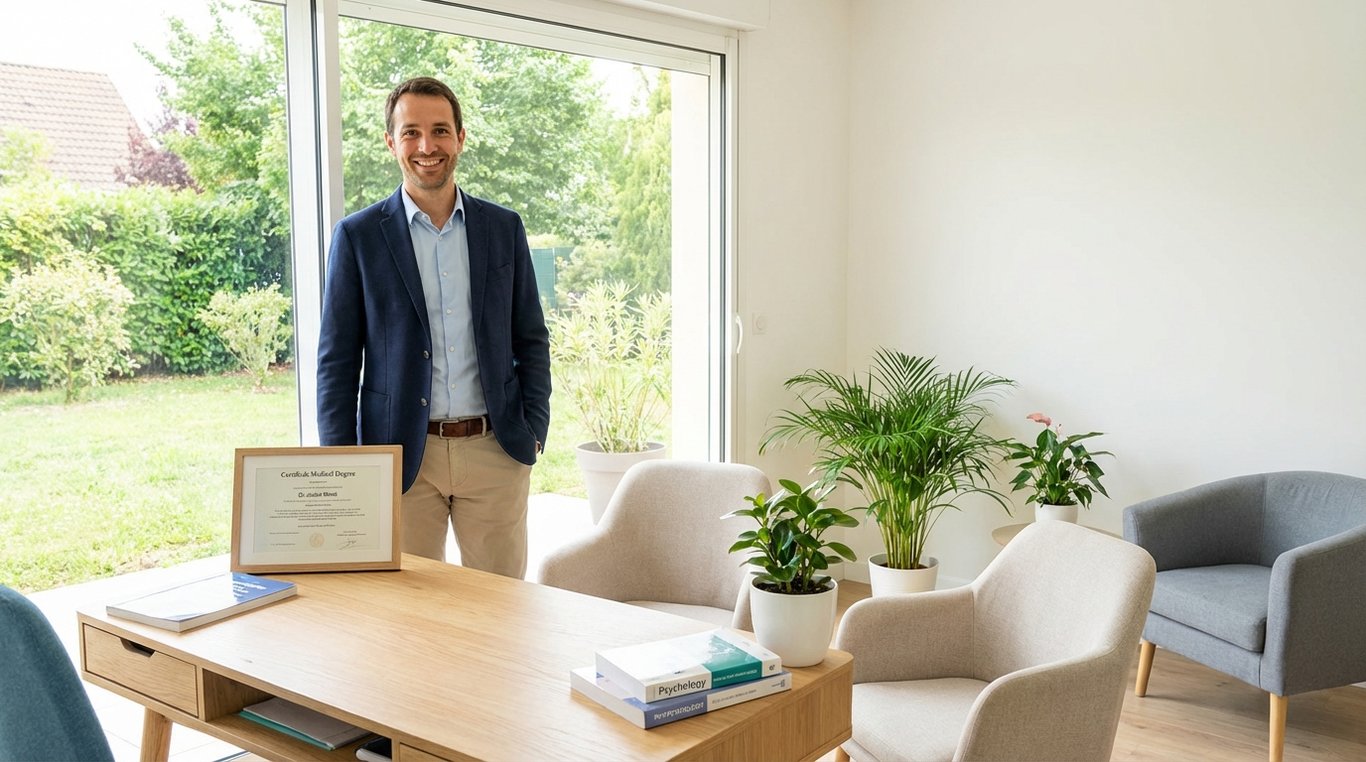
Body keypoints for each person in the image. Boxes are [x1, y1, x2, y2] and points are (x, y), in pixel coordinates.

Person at [316, 76, 551, 579]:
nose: (427, 147)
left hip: (495, 451)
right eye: (411, 133)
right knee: (410, 618)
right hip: (399, 458)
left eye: (440, 131)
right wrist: (344, 467)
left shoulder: (503, 228)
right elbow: (336, 362)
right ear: (391, 142)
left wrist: (535, 428)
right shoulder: (357, 238)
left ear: (460, 138)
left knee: (501, 610)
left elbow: (531, 337)